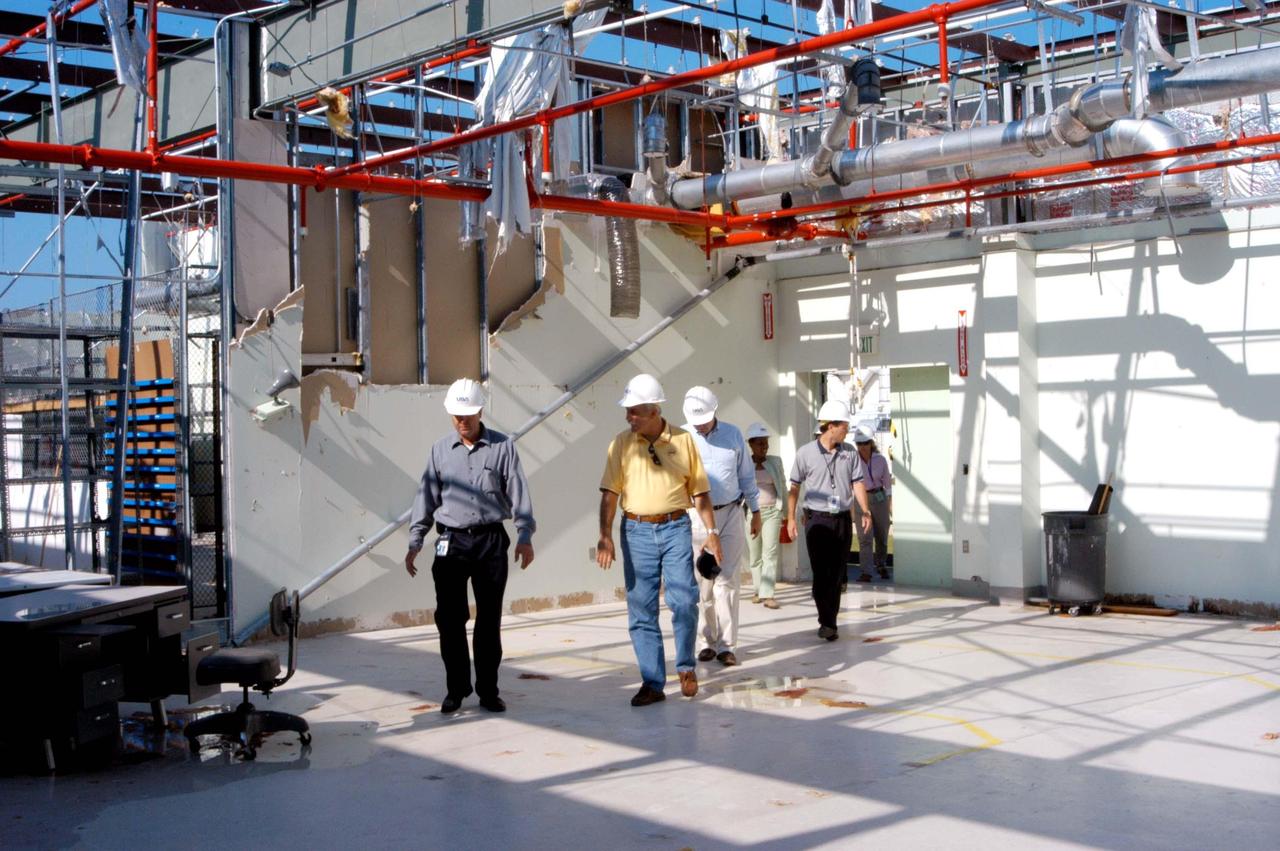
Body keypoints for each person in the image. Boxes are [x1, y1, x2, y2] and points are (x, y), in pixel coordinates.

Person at [405, 378, 536, 715]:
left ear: (480, 411)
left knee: (488, 620)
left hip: (490, 541)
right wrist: (416, 539)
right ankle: (456, 689)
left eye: (467, 415)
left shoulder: (503, 447)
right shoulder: (439, 450)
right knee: (450, 618)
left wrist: (524, 535)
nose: (462, 422)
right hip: (451, 541)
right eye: (456, 416)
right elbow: (426, 496)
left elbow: (518, 491)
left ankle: (488, 691)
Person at [597, 374, 723, 707]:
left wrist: (712, 533)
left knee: (683, 600)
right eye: (628, 411)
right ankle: (652, 682)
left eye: (635, 411)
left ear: (654, 411)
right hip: (636, 531)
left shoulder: (683, 442)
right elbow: (610, 494)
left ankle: (685, 667)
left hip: (675, 528)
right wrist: (604, 535)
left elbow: (700, 492)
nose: (629, 417)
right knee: (641, 608)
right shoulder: (621, 444)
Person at [682, 387, 760, 668]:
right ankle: (706, 642)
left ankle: (727, 645)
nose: (700, 424)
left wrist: (757, 510)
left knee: (726, 581)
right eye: (695, 420)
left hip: (730, 513)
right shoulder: (681, 437)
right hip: (695, 517)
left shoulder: (733, 435)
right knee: (703, 581)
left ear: (715, 411)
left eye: (704, 418)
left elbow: (747, 476)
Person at [785, 399, 872, 642]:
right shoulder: (805, 453)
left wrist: (865, 510)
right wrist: (790, 518)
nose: (848, 430)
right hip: (817, 521)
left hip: (842, 520)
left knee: (837, 573)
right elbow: (794, 487)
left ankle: (829, 621)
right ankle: (827, 620)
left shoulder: (850, 453)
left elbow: (858, 483)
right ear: (831, 425)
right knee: (821, 573)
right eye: (845, 425)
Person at [744, 422, 788, 609]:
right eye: (760, 443)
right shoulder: (745, 464)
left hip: (772, 512)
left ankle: (768, 594)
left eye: (766, 443)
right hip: (752, 514)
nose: (764, 447)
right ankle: (757, 590)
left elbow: (783, 487)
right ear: (751, 444)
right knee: (755, 555)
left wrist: (785, 512)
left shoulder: (775, 462)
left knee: (770, 552)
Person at [853, 427, 893, 582]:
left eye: (865, 443)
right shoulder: (853, 460)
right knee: (864, 537)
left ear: (871, 443)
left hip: (879, 497)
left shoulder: (881, 460)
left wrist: (889, 502)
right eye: (859, 444)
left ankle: (881, 565)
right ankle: (866, 571)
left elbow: (887, 483)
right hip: (861, 498)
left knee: (882, 535)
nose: (862, 446)